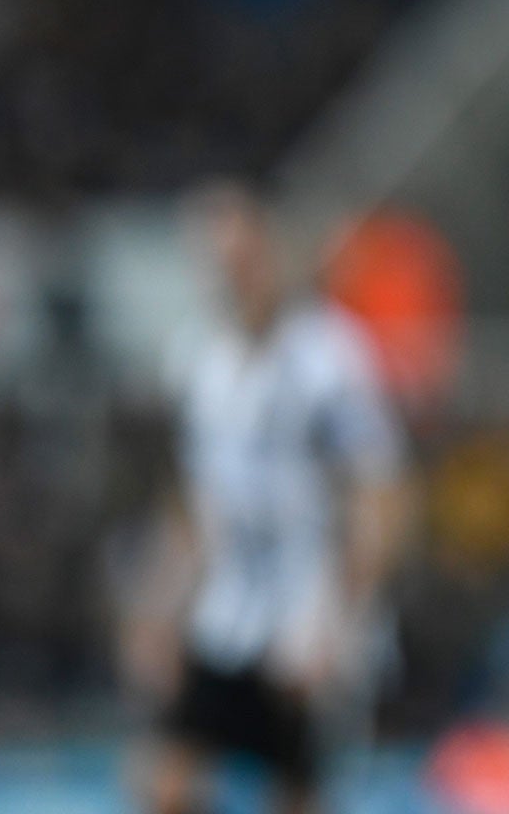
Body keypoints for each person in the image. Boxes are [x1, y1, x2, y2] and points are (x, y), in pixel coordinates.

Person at [125, 183, 413, 814]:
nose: (235, 275)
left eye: (246, 257)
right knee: (166, 781)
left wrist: (341, 620)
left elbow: (380, 497)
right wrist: (160, 604)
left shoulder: (330, 358)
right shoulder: (200, 359)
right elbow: (195, 501)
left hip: (306, 617)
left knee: (297, 792)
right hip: (228, 612)